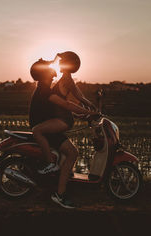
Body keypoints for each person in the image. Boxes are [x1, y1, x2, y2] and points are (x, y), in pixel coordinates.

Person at [29, 58, 99, 208]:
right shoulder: (45, 91)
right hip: (45, 129)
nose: (53, 74)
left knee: (72, 153)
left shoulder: (45, 87)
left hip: (49, 127)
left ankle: (60, 189)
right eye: (49, 71)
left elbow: (65, 107)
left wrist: (84, 112)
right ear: (43, 75)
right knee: (72, 153)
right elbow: (66, 104)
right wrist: (88, 111)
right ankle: (55, 179)